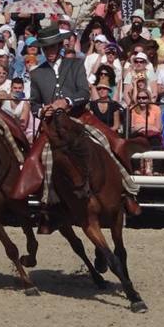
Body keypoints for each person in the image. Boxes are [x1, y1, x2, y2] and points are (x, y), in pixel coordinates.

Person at [23, 25, 140, 224]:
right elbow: (34, 103)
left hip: (78, 118)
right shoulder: (37, 74)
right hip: (52, 125)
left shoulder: (75, 65)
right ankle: (48, 204)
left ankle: (127, 191)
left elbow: (84, 93)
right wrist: (42, 110)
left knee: (104, 141)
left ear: (60, 46)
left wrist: (66, 102)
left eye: (52, 48)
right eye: (46, 49)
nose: (49, 52)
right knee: (41, 156)